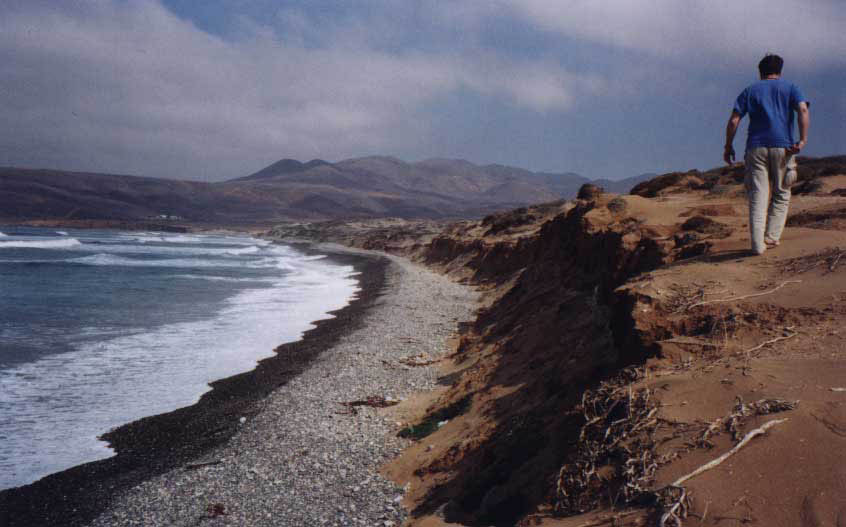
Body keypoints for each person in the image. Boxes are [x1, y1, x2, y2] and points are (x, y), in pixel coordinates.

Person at [724, 54, 810, 255]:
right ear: (780, 71)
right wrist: (803, 139)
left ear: (760, 72)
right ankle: (771, 237)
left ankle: (756, 245)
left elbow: (734, 120)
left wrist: (728, 146)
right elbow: (803, 110)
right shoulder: (791, 88)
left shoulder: (750, 90)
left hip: (756, 147)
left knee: (758, 196)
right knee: (782, 192)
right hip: (784, 147)